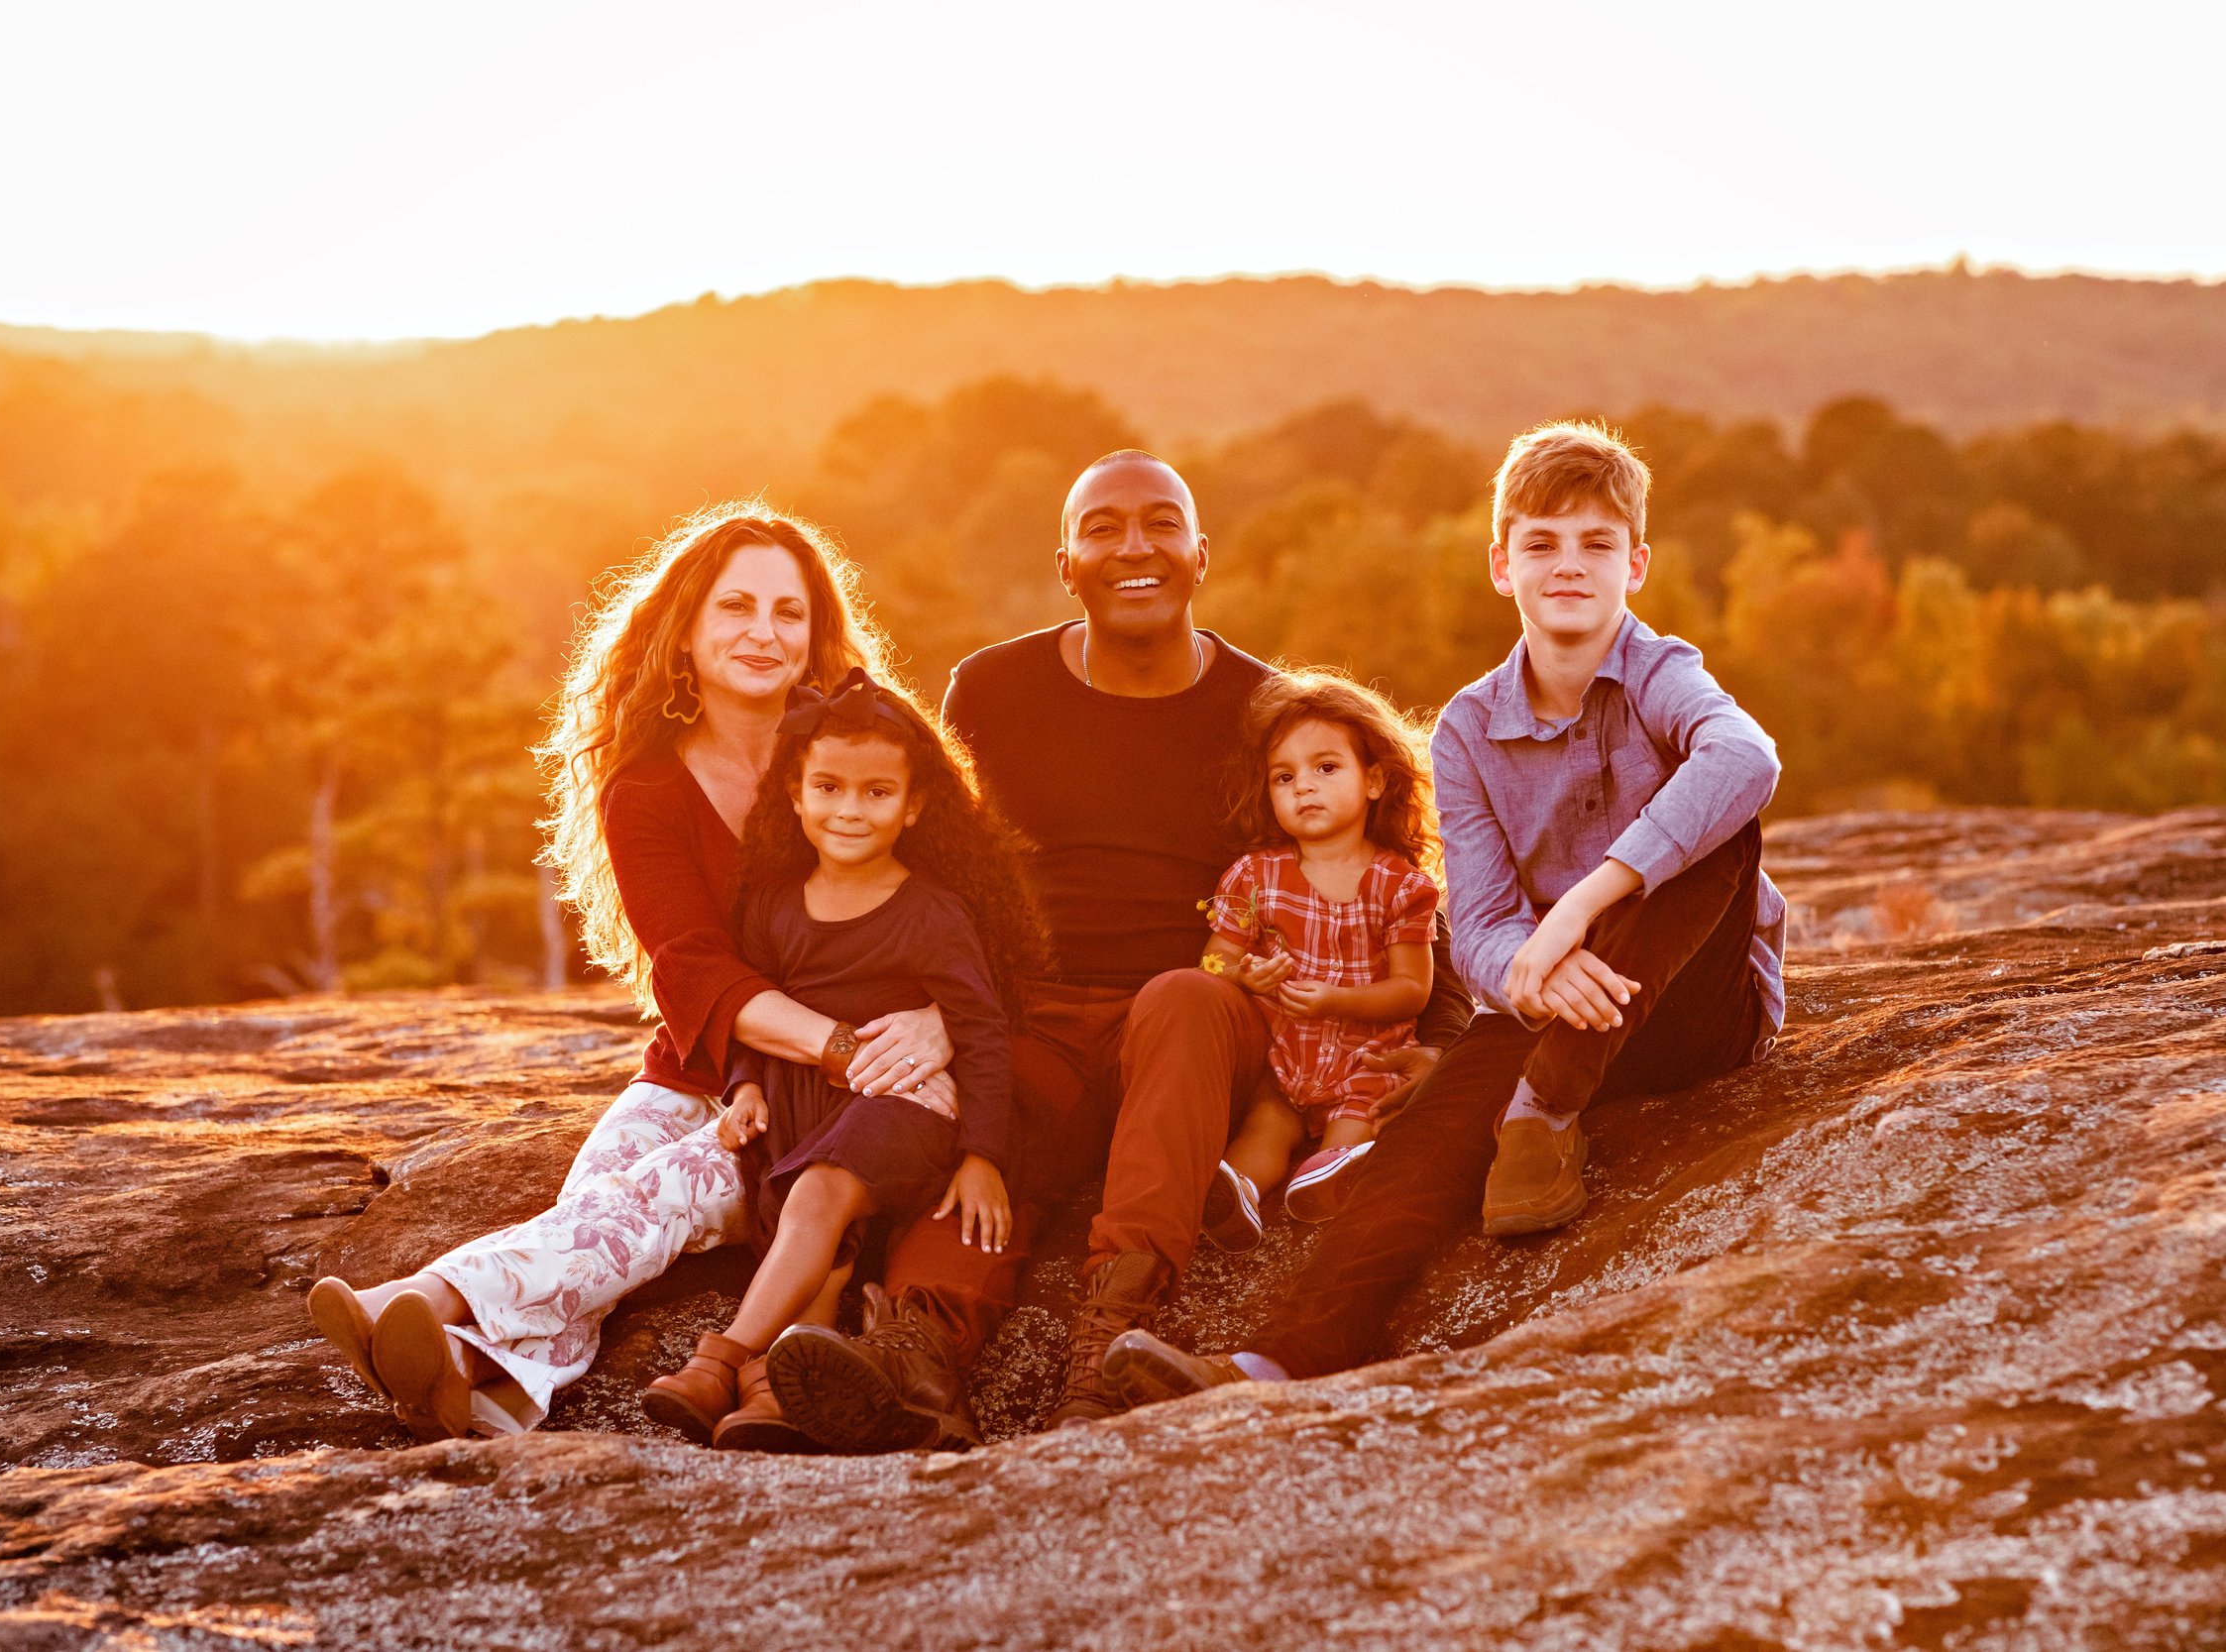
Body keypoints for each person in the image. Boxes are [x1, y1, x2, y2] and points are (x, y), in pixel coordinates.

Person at [760, 449, 1473, 1447]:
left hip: (1197, 1021)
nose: (1132, 546)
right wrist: (925, 1011)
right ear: (1065, 563)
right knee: (988, 1111)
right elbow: (931, 866)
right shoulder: (993, 689)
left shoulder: (1261, 705)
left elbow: (1381, 866)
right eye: (1101, 527)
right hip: (1033, 1006)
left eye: (1159, 523)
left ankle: (1108, 1348)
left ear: (1199, 554)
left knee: (1183, 997)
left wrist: (1437, 1033)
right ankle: (919, 1355)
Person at [1103, 419, 1788, 1405]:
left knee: (1714, 814)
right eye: (1541, 544)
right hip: (1554, 1001)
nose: (1569, 566)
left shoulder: (1659, 671)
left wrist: (1580, 908)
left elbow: (1747, 759)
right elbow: (1476, 934)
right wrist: (1533, 964)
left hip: (1689, 1007)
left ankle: (1549, 1101)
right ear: (1500, 564)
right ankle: (1269, 1361)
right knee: (1423, 1147)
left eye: (1596, 544)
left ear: (1634, 563)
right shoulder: (1468, 725)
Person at [303, 502, 957, 1439]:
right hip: (702, 1065)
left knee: (652, 1202)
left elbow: (962, 912)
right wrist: (833, 1042)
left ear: (817, 634)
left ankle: (426, 1296)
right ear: (686, 630)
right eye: (736, 607)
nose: (762, 632)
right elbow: (690, 969)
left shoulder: (857, 761)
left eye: (787, 611)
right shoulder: (646, 787)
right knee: (599, 1202)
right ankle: (477, 1377)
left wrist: (905, 1036)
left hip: (827, 1103)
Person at [639, 669, 1044, 1452]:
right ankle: (777, 1392)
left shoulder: (932, 912)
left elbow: (982, 1033)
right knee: (812, 1243)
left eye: (875, 793)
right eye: (828, 786)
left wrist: (983, 1157)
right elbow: (754, 1012)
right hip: (800, 1103)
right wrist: (746, 1085)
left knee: (819, 1200)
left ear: (914, 805)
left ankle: (719, 1358)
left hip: (904, 1106)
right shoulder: (773, 902)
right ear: (795, 792)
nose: (848, 810)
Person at [1196, 671, 1440, 1249]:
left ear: (1375, 779)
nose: (1304, 787)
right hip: (1284, 1057)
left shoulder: (1401, 886)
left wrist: (1338, 999)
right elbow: (1209, 963)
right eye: (1285, 777)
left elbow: (1412, 990)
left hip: (1368, 1057)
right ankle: (1235, 1195)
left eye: (1326, 768)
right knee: (1266, 1124)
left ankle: (1328, 1176)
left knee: (1356, 1123)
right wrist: (1242, 975)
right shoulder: (1255, 877)